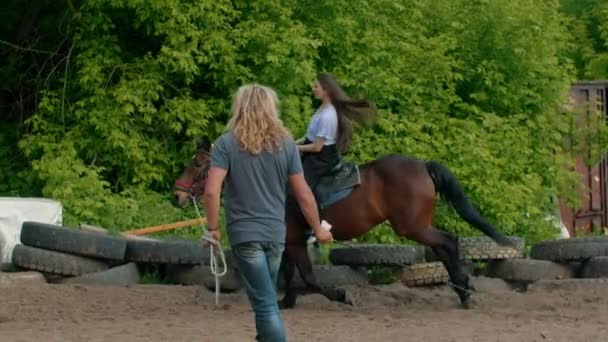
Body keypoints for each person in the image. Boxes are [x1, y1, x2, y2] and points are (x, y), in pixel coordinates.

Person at [202, 83, 333, 342]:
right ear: (271, 109)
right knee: (265, 295)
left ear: (239, 108)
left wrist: (213, 227)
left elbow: (211, 192)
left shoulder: (226, 144)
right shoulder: (286, 145)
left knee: (264, 302)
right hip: (275, 235)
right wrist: (317, 228)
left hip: (244, 233)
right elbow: (303, 193)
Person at [296, 73, 376, 196]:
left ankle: (313, 214)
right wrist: (290, 143)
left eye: (316, 87)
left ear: (326, 90)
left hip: (321, 159)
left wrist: (293, 148)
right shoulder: (322, 108)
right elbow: (309, 137)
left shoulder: (328, 115)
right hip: (312, 154)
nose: (313, 89)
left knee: (298, 190)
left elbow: (317, 147)